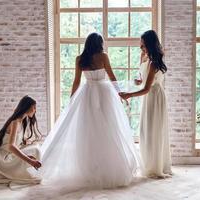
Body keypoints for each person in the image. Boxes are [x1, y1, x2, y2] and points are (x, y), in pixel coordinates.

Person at [38, 32, 141, 189]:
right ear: (99, 44)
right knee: (109, 129)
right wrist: (119, 94)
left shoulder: (80, 59)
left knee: (88, 131)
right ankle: (108, 167)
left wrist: (72, 100)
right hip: (104, 93)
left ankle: (90, 169)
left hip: (86, 94)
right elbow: (112, 77)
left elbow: (77, 82)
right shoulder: (103, 56)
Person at [120, 30, 172, 178]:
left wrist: (129, 94)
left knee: (154, 130)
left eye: (143, 45)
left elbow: (147, 87)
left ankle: (156, 166)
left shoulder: (155, 62)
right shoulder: (144, 57)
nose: (141, 48)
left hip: (155, 96)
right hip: (148, 97)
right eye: (140, 45)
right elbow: (143, 80)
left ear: (150, 44)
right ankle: (148, 163)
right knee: (146, 130)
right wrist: (138, 81)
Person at [0, 95, 43, 185]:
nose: (35, 110)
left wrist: (26, 142)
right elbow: (11, 146)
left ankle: (30, 171)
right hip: (2, 159)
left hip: (6, 154)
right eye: (34, 107)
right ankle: (28, 171)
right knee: (36, 149)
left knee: (35, 146)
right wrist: (30, 161)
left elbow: (15, 139)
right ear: (27, 108)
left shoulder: (22, 121)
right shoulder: (15, 122)